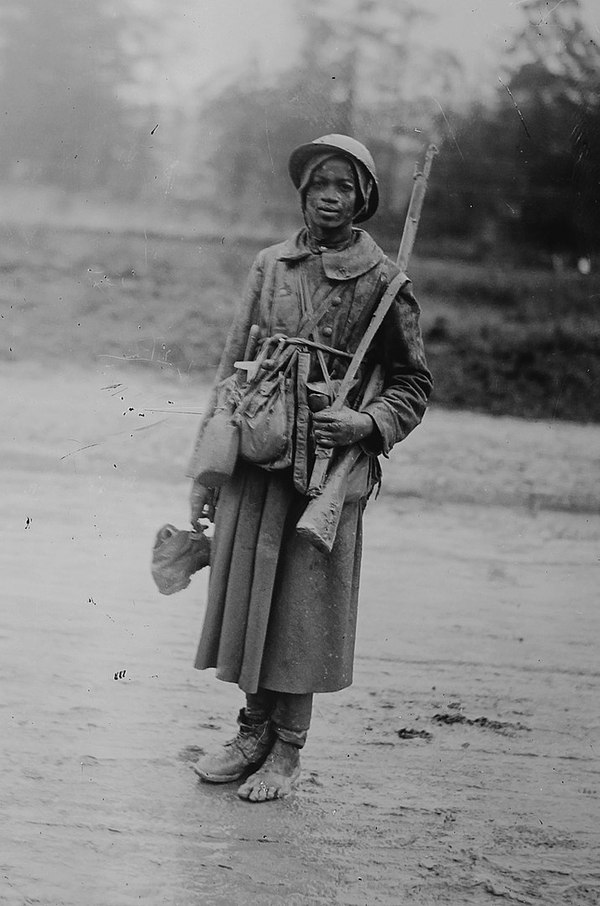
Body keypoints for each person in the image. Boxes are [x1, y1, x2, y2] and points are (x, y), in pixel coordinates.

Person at [187, 134, 433, 803]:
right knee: (248, 600)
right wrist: (205, 472)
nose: (330, 196)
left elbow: (412, 386)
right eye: (320, 183)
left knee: (299, 609)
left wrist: (365, 423)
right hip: (257, 456)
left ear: (364, 200)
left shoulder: (386, 284)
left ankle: (288, 750)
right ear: (304, 192)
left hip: (325, 471)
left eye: (345, 187)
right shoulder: (270, 266)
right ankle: (250, 732)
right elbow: (231, 363)